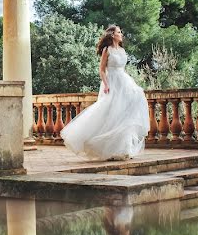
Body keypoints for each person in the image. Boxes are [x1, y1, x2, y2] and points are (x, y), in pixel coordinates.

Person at [60, 25, 150, 161]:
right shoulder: (107, 50)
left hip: (123, 81)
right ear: (113, 35)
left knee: (124, 115)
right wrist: (107, 85)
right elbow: (101, 69)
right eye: (119, 32)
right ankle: (106, 148)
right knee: (110, 114)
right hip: (111, 82)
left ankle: (125, 149)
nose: (121, 34)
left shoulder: (122, 50)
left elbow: (122, 69)